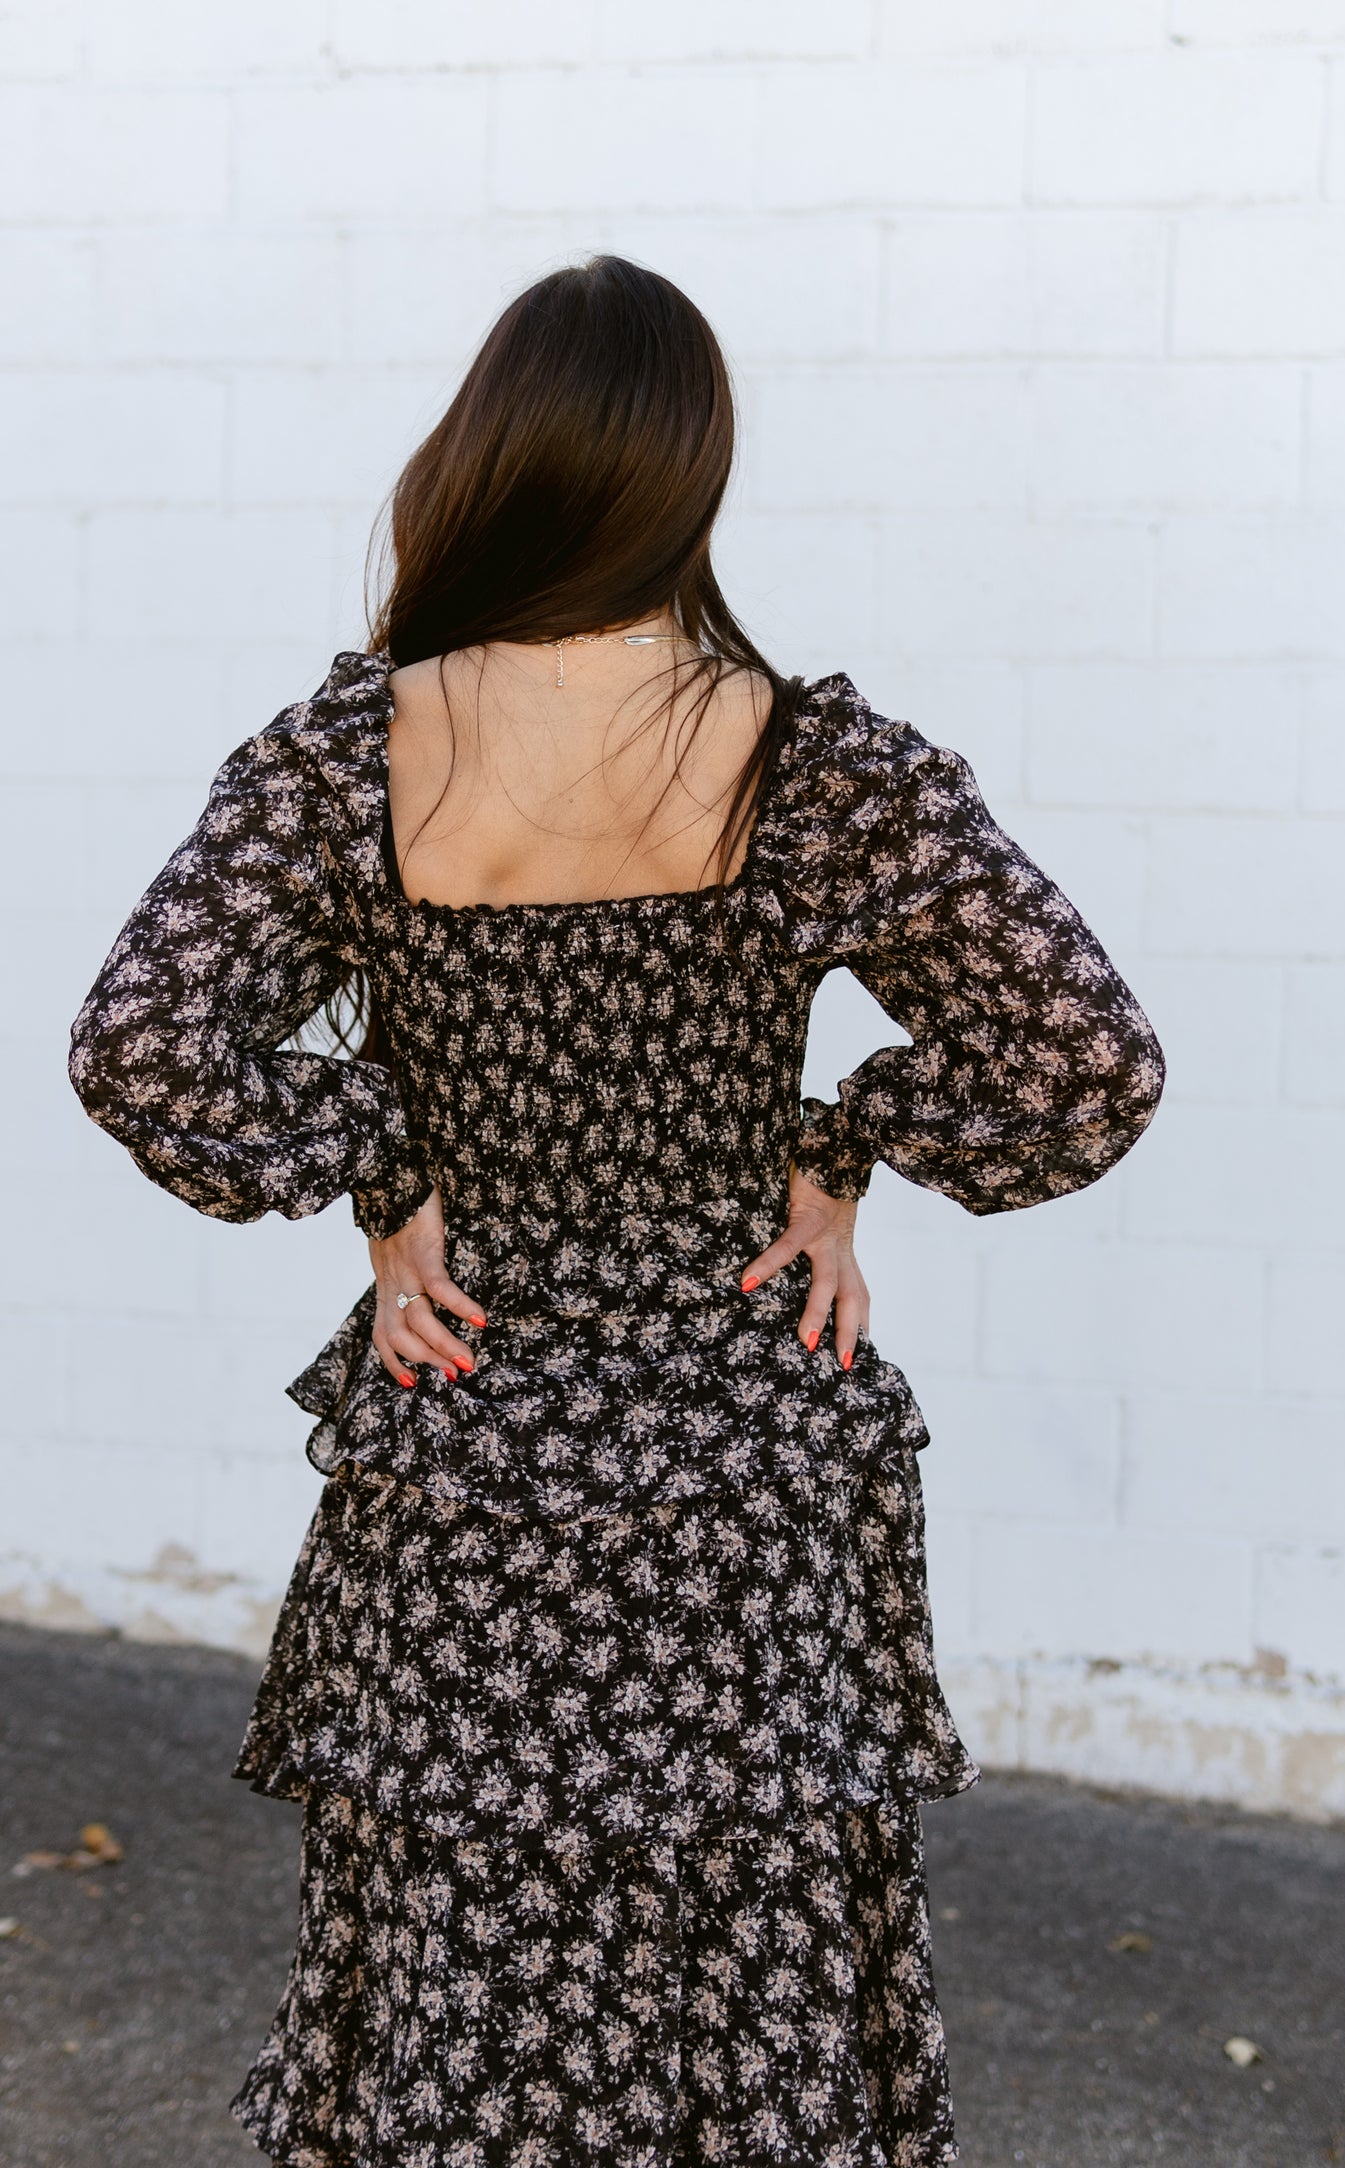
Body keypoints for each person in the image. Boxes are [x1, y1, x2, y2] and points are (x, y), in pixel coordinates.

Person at [68, 255, 1164, 2168]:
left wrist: (385, 1175)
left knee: (461, 1957)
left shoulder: (348, 759)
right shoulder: (824, 769)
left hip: (470, 1418)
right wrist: (848, 1149)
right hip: (743, 1440)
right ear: (689, 479)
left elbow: (136, 1046)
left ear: (481, 460)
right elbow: (1093, 1062)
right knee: (754, 1963)